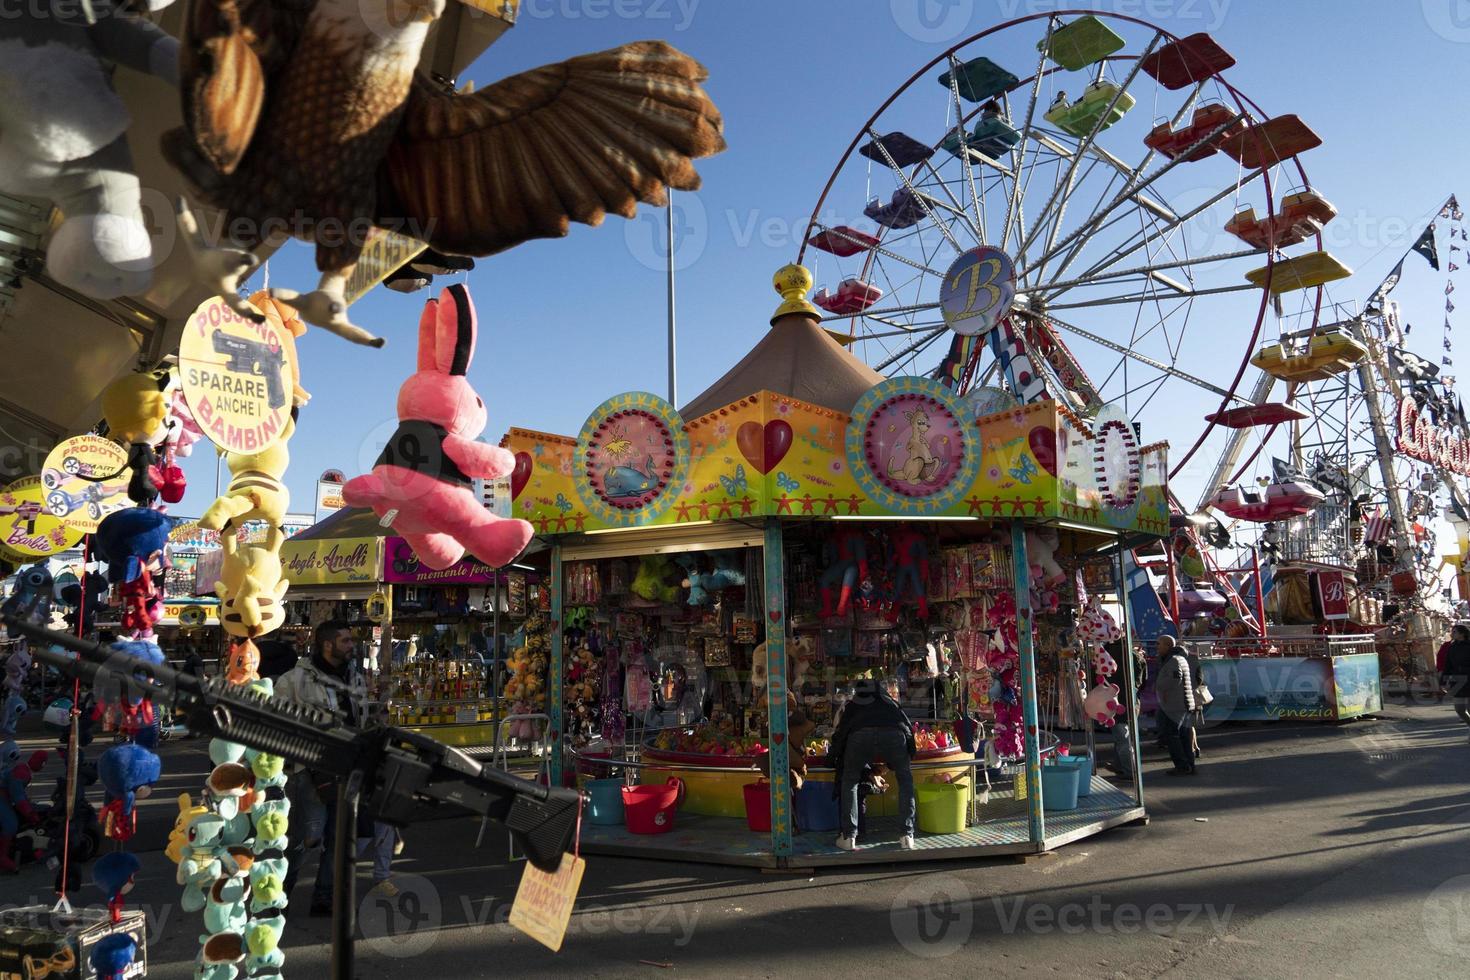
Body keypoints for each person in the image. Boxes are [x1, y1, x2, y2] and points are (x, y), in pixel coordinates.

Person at [275, 622, 396, 911]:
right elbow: (278, 722)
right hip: (310, 768)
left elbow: (359, 717)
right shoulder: (295, 680)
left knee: (339, 836)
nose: (352, 644)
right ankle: (280, 894)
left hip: (347, 768)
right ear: (327, 644)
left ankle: (324, 895)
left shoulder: (353, 678)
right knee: (307, 836)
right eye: (345, 640)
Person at [830, 676, 916, 850]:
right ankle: (907, 835)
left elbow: (841, 733)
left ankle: (849, 837)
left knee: (850, 781)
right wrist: (896, 762)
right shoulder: (891, 704)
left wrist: (833, 756)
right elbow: (907, 728)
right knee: (905, 780)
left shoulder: (853, 706)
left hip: (860, 737)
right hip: (894, 735)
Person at [1153, 636, 1196, 775]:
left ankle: (1182, 765)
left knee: (1172, 735)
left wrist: (1160, 687)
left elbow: (1174, 679)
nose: (1157, 646)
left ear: (1167, 646)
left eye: (1159, 644)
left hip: (1176, 704)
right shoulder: (1178, 658)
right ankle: (1189, 764)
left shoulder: (1173, 660)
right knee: (1183, 736)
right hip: (1181, 702)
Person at [1442, 624, 1470, 742]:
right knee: (1459, 709)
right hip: (1457, 680)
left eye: (1454, 632)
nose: (1451, 634)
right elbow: (1447, 664)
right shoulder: (1452, 647)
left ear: (1462, 634)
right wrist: (1443, 680)